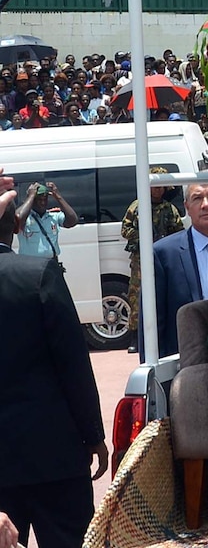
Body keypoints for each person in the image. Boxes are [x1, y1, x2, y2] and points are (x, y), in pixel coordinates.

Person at [0, 182, 109, 548]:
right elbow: (73, 364)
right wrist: (94, 436)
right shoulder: (38, 275)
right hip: (53, 454)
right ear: (14, 228)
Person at [149, 183, 208, 359]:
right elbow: (153, 322)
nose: (206, 204)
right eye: (197, 198)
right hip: (186, 362)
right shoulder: (163, 254)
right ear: (187, 207)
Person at [121, 167, 184, 353]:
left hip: (164, 258)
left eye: (161, 187)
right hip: (141, 258)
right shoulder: (137, 206)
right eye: (155, 187)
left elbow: (179, 232)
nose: (158, 190)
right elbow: (125, 230)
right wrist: (145, 236)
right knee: (136, 295)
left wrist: (165, 241)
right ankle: (135, 336)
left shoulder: (170, 209)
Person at [16, 182, 78, 262]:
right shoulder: (25, 218)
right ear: (32, 200)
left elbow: (72, 221)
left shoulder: (53, 216)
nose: (43, 203)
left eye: (45, 199)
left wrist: (58, 197)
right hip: (30, 264)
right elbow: (18, 219)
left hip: (50, 263)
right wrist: (31, 196)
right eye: (39, 200)